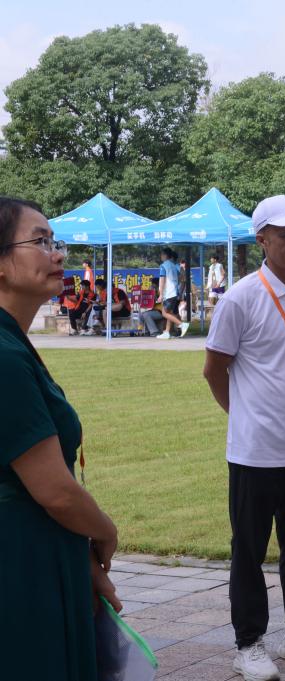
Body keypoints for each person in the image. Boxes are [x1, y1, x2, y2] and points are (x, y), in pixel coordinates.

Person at [204, 195, 285, 681]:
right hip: (256, 451)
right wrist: (243, 416)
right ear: (262, 240)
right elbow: (214, 369)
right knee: (249, 551)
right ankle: (249, 643)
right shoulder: (241, 298)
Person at [0, 196, 121, 680]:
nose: (58, 254)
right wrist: (105, 531)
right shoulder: (4, 355)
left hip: (42, 550)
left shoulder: (13, 341)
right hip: (20, 564)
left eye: (56, 241)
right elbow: (53, 490)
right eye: (40, 241)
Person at [157, 247, 188, 339]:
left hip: (169, 293)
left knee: (164, 313)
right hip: (174, 292)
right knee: (170, 313)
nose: (160, 256)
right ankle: (167, 332)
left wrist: (161, 294)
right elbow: (180, 279)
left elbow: (162, 280)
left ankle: (181, 324)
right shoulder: (174, 266)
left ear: (165, 255)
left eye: (161, 254)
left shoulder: (163, 266)